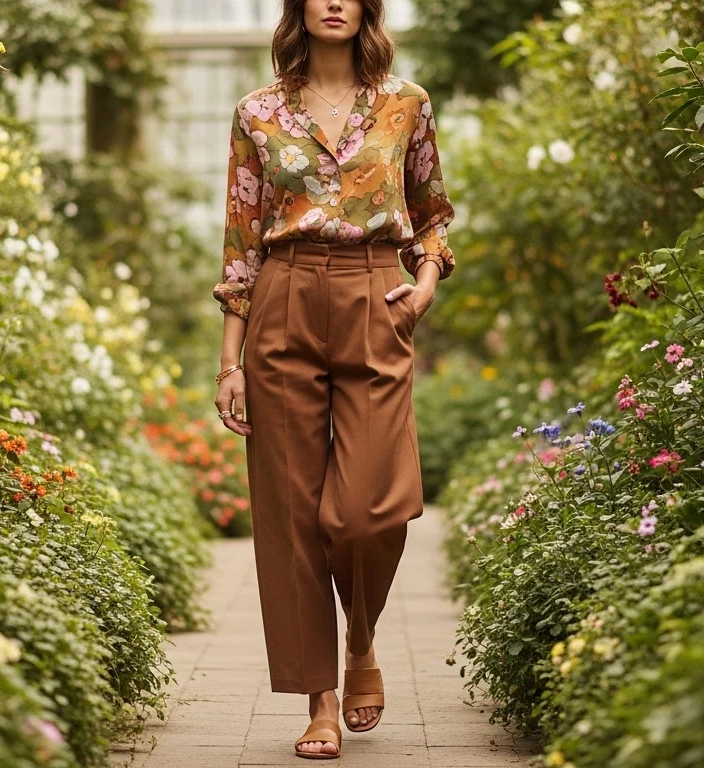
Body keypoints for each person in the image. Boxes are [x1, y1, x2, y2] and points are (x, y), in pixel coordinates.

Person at [210, 0, 455, 759]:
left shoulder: (406, 103)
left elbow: (432, 212)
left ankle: (363, 637)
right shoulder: (256, 112)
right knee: (292, 513)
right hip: (282, 297)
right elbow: (241, 241)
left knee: (365, 510)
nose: (336, 2)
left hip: (376, 292)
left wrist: (426, 284)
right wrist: (230, 363)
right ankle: (320, 699)